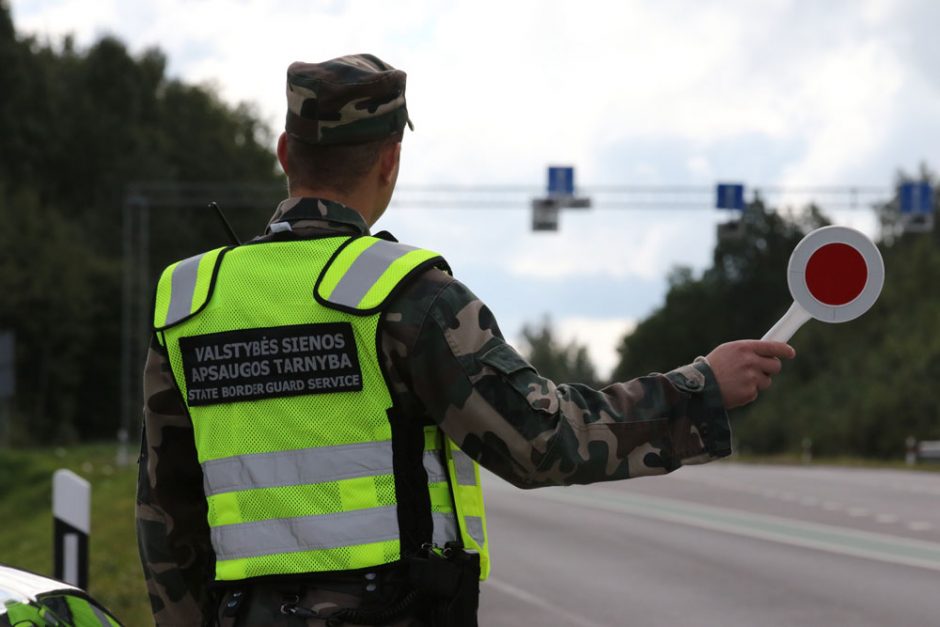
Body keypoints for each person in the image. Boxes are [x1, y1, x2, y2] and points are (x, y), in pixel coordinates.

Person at [136, 53, 796, 627]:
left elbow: (166, 516)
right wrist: (698, 389)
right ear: (390, 161)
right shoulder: (404, 294)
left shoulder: (191, 302)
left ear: (286, 153)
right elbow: (542, 441)